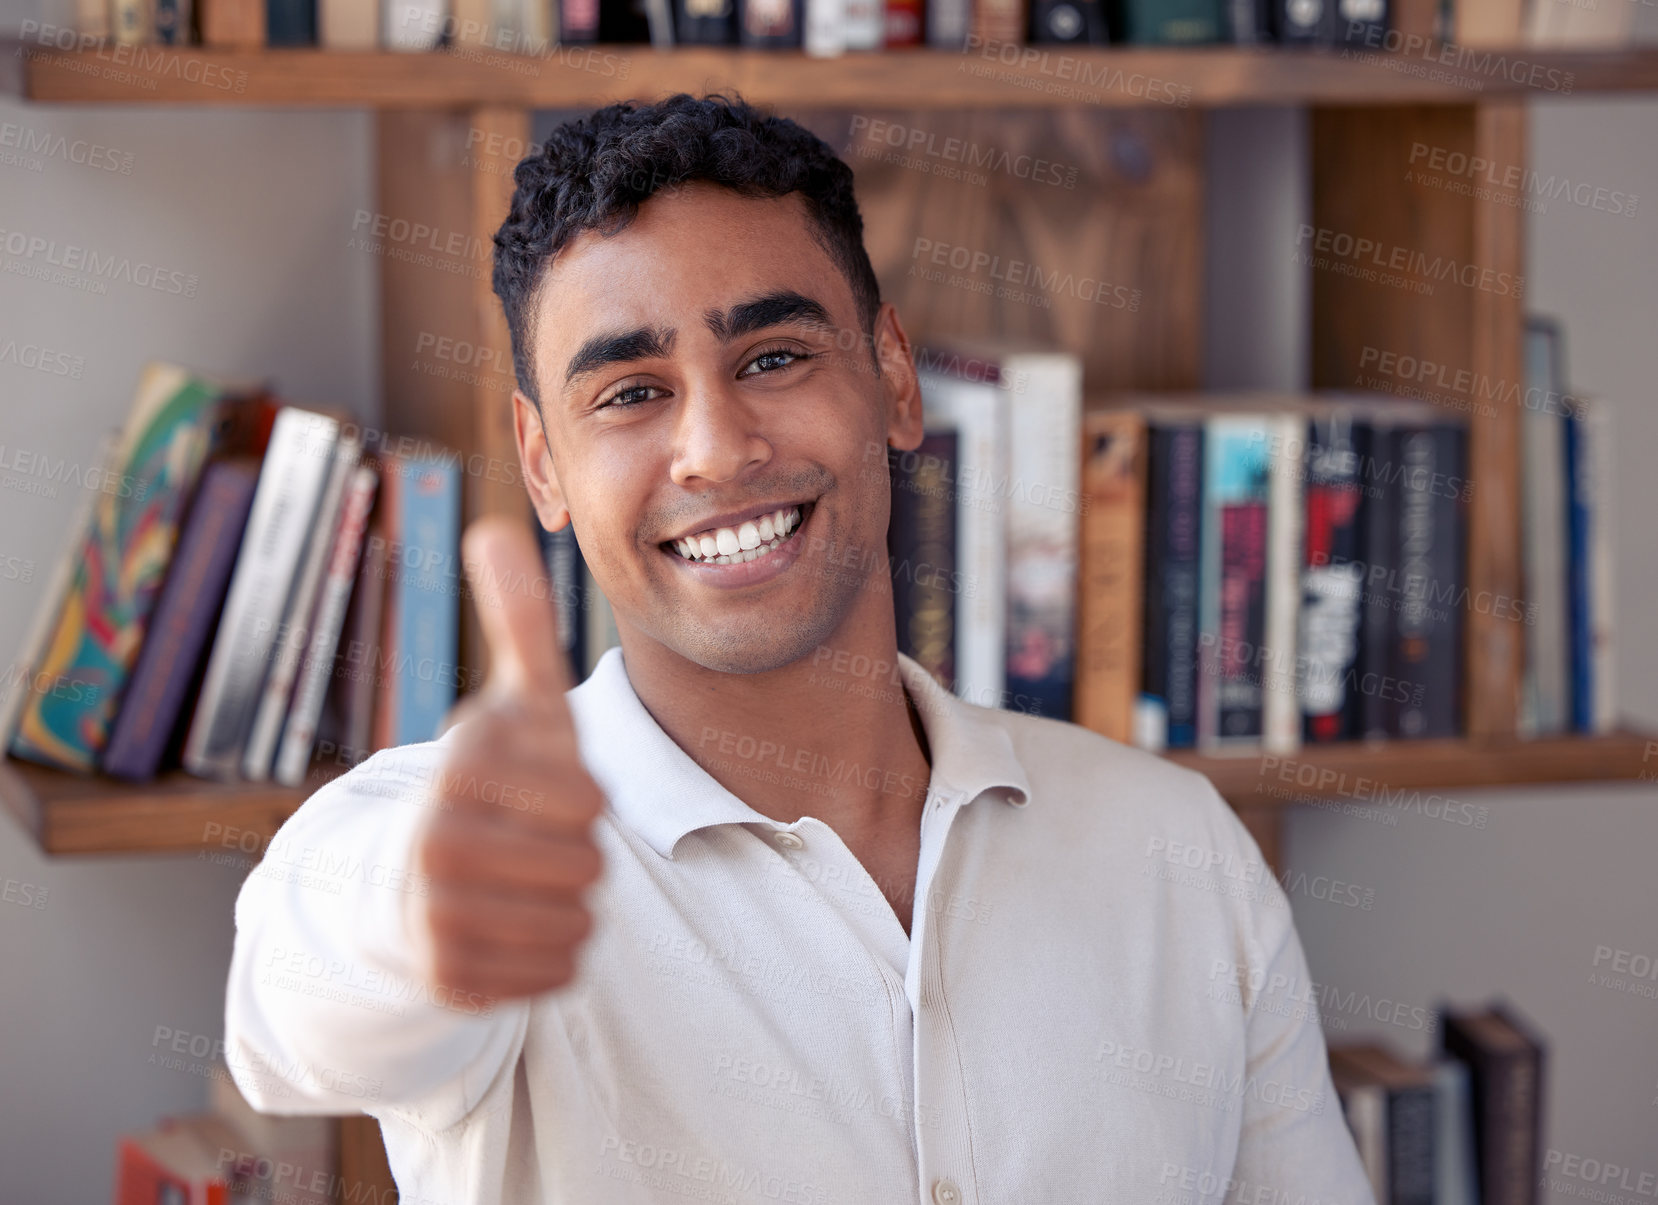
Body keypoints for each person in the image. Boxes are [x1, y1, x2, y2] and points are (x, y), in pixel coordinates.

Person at [226, 93, 1373, 1205]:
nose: (715, 451)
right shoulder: (434, 839)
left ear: (893, 376)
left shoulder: (1179, 850)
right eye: (630, 392)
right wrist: (435, 917)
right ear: (541, 466)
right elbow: (293, 1010)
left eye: (772, 357)